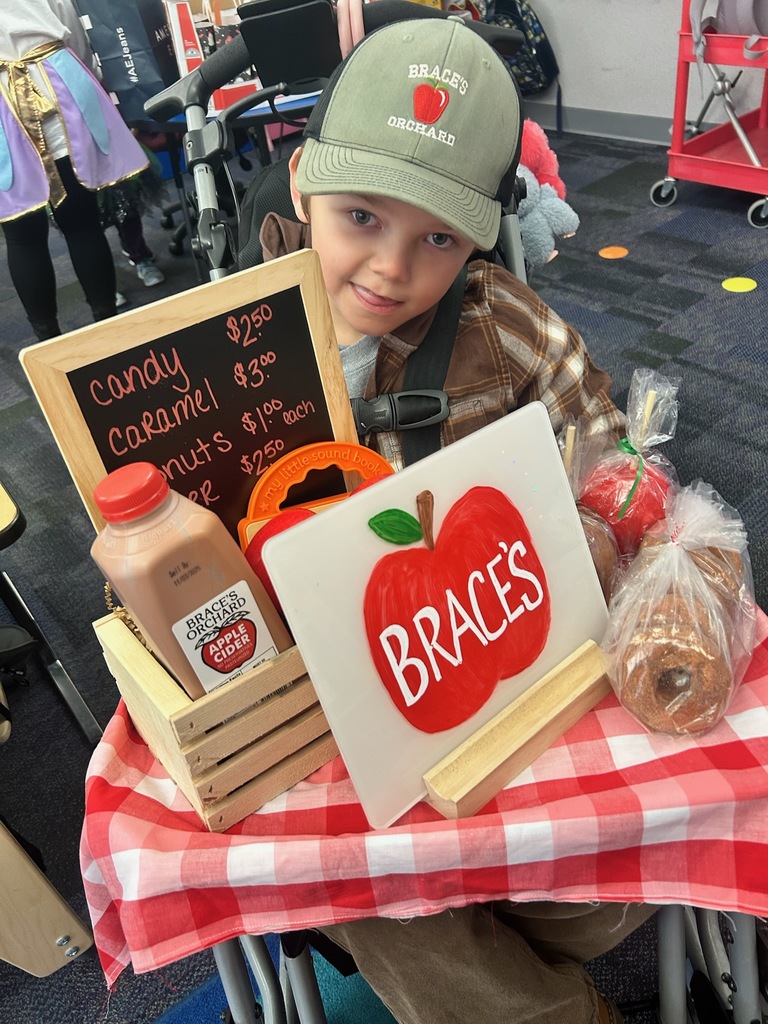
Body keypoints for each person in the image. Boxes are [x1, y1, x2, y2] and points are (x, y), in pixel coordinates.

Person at [260, 15, 656, 1024]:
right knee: (373, 884)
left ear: (480, 233)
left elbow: (616, 452)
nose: (392, 269)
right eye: (359, 216)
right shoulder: (231, 348)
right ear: (302, 183)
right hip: (333, 729)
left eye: (437, 236)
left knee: (606, 900)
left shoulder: (503, 320)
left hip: (501, 682)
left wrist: (597, 533)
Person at [0, 0, 148, 339]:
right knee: (82, 223)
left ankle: (48, 345)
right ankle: (111, 334)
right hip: (58, 80)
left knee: (22, 236)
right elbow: (73, 29)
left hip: (5, 106)